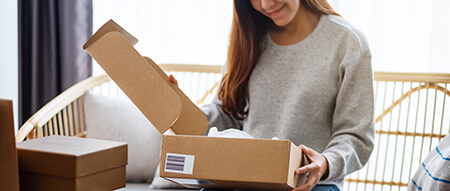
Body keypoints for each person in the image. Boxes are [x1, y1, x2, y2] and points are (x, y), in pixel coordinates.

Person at [171, 0, 374, 190]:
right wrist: (180, 109)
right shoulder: (248, 36)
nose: (266, 4)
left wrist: (326, 161)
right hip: (243, 178)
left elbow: (357, 136)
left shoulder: (348, 42)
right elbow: (227, 115)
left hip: (310, 184)